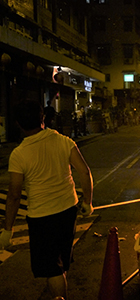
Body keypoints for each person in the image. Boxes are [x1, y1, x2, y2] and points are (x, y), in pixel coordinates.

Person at [0, 101, 93, 299]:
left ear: (17, 123)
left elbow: (14, 195)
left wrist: (8, 230)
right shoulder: (64, 141)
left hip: (42, 217)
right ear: (43, 118)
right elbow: (85, 172)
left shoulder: (19, 154)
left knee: (52, 270)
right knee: (60, 263)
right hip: (68, 210)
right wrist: (87, 202)